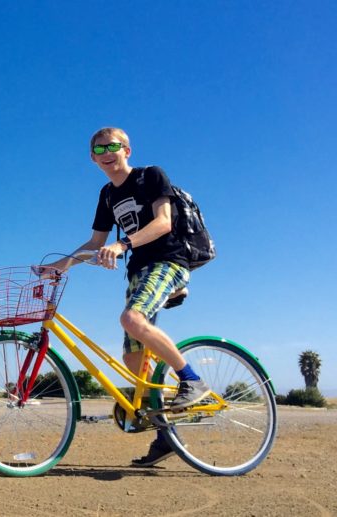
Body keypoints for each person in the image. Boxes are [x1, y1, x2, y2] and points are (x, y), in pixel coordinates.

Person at [43, 127, 211, 467]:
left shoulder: (150, 176)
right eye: (100, 148)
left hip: (168, 261)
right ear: (92, 157)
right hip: (138, 273)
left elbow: (163, 223)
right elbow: (94, 243)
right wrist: (60, 266)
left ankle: (193, 381)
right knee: (134, 363)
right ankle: (165, 434)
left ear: (127, 150)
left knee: (131, 319)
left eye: (113, 145)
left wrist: (123, 244)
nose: (107, 152)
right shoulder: (107, 195)